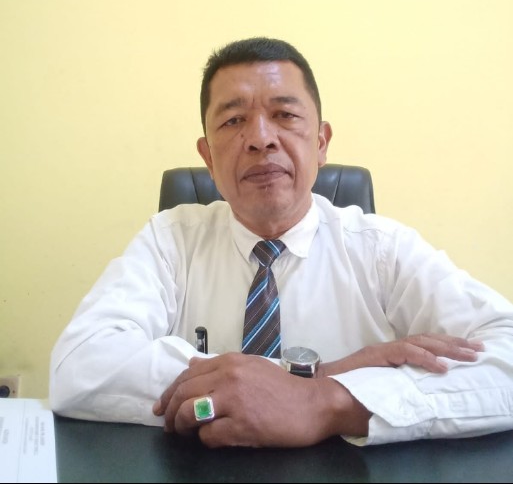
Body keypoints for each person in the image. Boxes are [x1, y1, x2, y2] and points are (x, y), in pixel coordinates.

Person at [50, 36, 513, 448]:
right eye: (233, 121)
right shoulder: (170, 240)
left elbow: (505, 351)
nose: (260, 139)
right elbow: (78, 366)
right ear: (207, 157)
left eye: (285, 115)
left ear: (321, 142)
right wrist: (317, 376)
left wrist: (330, 402)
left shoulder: (382, 249)